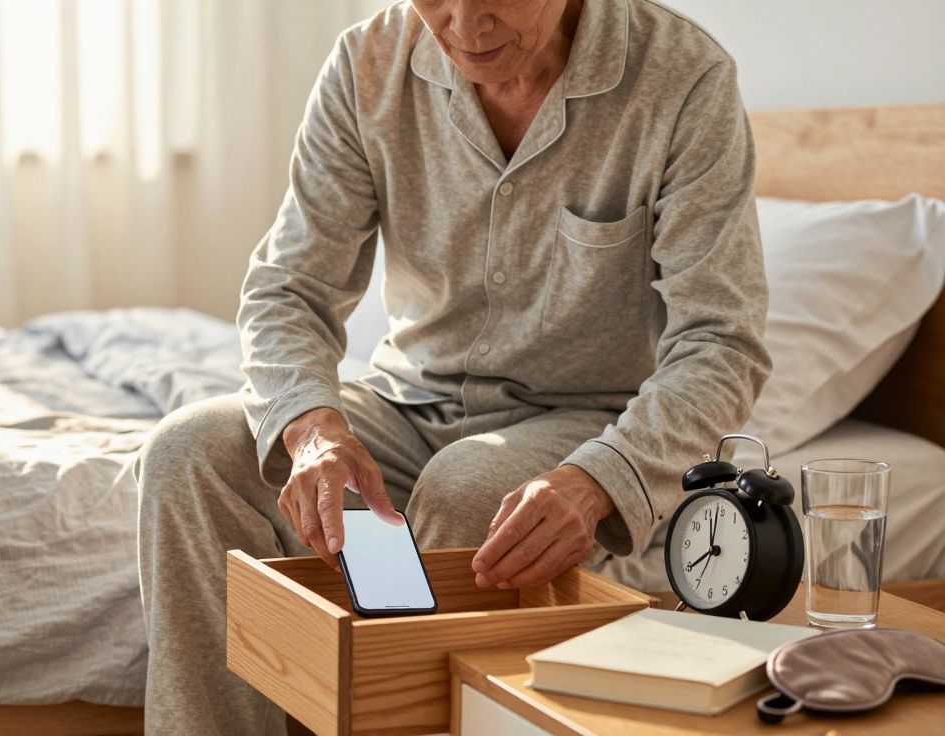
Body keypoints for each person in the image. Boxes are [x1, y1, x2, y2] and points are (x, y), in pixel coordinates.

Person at [135, 0, 770, 733]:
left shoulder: (683, 79)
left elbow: (721, 342)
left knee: (469, 490)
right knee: (186, 453)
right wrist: (313, 430)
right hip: (405, 399)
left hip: (581, 421)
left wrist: (596, 480)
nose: (466, 26)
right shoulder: (366, 65)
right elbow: (290, 286)